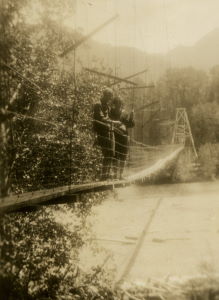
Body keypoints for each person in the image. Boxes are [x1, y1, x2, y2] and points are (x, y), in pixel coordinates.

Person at [93, 88, 121, 180]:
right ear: (104, 95)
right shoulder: (98, 105)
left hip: (109, 131)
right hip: (102, 132)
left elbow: (108, 118)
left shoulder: (107, 107)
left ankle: (107, 175)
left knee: (111, 153)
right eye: (109, 97)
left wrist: (113, 123)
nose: (109, 99)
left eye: (110, 97)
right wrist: (113, 122)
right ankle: (103, 177)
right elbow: (100, 118)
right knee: (106, 153)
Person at [110, 96, 135, 180]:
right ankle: (115, 175)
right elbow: (109, 122)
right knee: (115, 156)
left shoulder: (125, 114)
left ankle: (121, 175)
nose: (119, 105)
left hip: (124, 137)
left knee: (123, 156)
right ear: (114, 104)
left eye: (120, 104)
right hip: (115, 136)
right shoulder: (111, 113)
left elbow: (130, 125)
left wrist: (131, 117)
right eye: (117, 103)